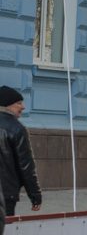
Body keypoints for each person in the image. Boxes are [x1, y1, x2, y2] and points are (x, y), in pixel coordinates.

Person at [0, 86, 42, 216]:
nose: (23, 107)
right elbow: (26, 166)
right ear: (7, 104)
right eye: (18, 103)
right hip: (5, 195)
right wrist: (35, 196)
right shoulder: (16, 128)